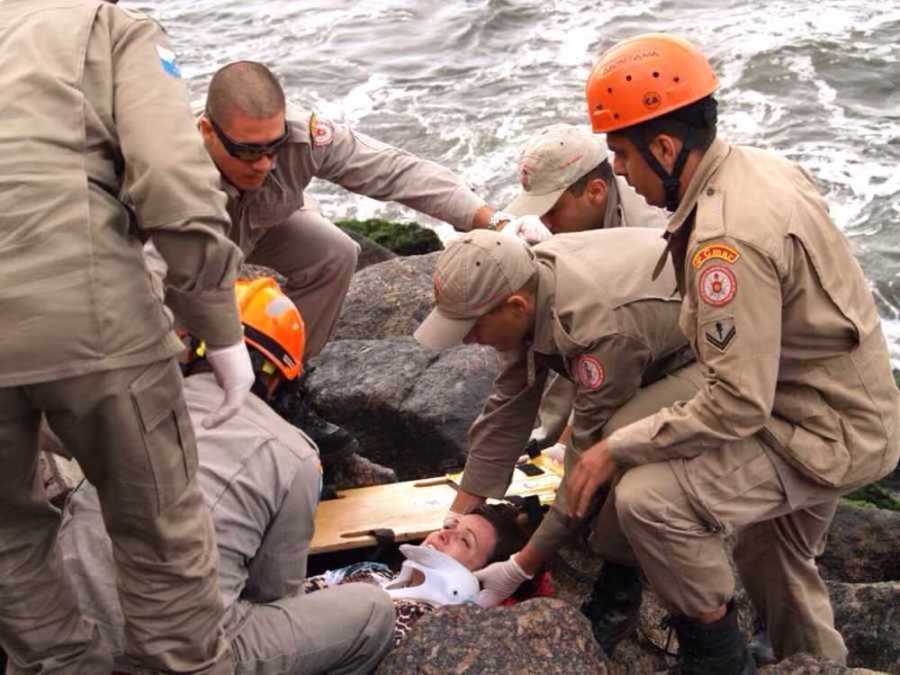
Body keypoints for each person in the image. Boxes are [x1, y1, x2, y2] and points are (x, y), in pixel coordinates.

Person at [565, 33, 900, 673]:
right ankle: (816, 662)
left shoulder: (726, 240)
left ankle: (717, 657)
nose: (622, 177)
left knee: (649, 501)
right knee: (770, 553)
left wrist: (617, 447)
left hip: (819, 427)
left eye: (624, 158)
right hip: (850, 402)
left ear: (666, 148)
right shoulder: (761, 169)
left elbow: (738, 405)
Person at [0, 2, 254, 672]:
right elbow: (171, 175)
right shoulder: (112, 27)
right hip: (91, 315)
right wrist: (219, 327)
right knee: (160, 536)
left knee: (6, 543)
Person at [149, 60, 499, 456]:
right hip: (181, 254)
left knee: (334, 252)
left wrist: (490, 219)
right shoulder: (165, 170)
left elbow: (393, 169)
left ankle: (285, 386)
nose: (264, 164)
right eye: (248, 151)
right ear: (207, 131)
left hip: (265, 222)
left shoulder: (302, 135)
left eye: (273, 148)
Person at [59, 277, 396, 674]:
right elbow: (275, 592)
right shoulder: (293, 453)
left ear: (191, 347)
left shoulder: (129, 406)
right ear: (281, 375)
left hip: (64, 630)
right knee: (373, 611)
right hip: (174, 655)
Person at [413, 229, 700, 627]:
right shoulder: (523, 277)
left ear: (515, 306)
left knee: (617, 442)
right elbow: (507, 407)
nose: (469, 339)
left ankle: (620, 581)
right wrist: (455, 518)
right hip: (650, 330)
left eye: (472, 328)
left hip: (712, 354)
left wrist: (521, 567)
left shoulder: (597, 330)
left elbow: (587, 462)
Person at [497, 123, 668, 456]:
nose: (542, 223)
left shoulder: (652, 228)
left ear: (596, 192)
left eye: (551, 210)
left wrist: (576, 440)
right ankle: (548, 436)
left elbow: (605, 340)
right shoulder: (561, 222)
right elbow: (560, 330)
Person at [304, 504, 532, 647]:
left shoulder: (432, 636)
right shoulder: (371, 571)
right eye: (452, 526)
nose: (445, 534)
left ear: (481, 579)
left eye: (465, 540)